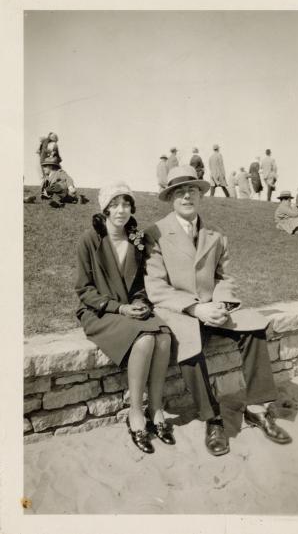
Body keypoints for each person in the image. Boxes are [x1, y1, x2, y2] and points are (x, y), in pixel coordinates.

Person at [145, 166, 291, 457]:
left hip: (215, 307)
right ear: (171, 198)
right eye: (180, 191)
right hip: (180, 310)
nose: (187, 196)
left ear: (201, 195)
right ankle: (212, 419)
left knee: (254, 328)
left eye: (193, 190)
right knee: (188, 345)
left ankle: (256, 407)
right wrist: (196, 308)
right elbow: (155, 286)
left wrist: (222, 305)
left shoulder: (216, 235)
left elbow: (225, 277)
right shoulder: (156, 233)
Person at [75, 181, 174, 454]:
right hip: (100, 311)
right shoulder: (90, 239)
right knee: (144, 341)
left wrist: (140, 303)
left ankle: (156, 409)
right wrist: (119, 309)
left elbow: (140, 286)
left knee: (163, 337)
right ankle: (136, 414)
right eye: (115, 204)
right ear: (105, 208)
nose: (121, 210)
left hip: (130, 308)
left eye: (126, 203)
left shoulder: (136, 240)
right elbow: (84, 290)